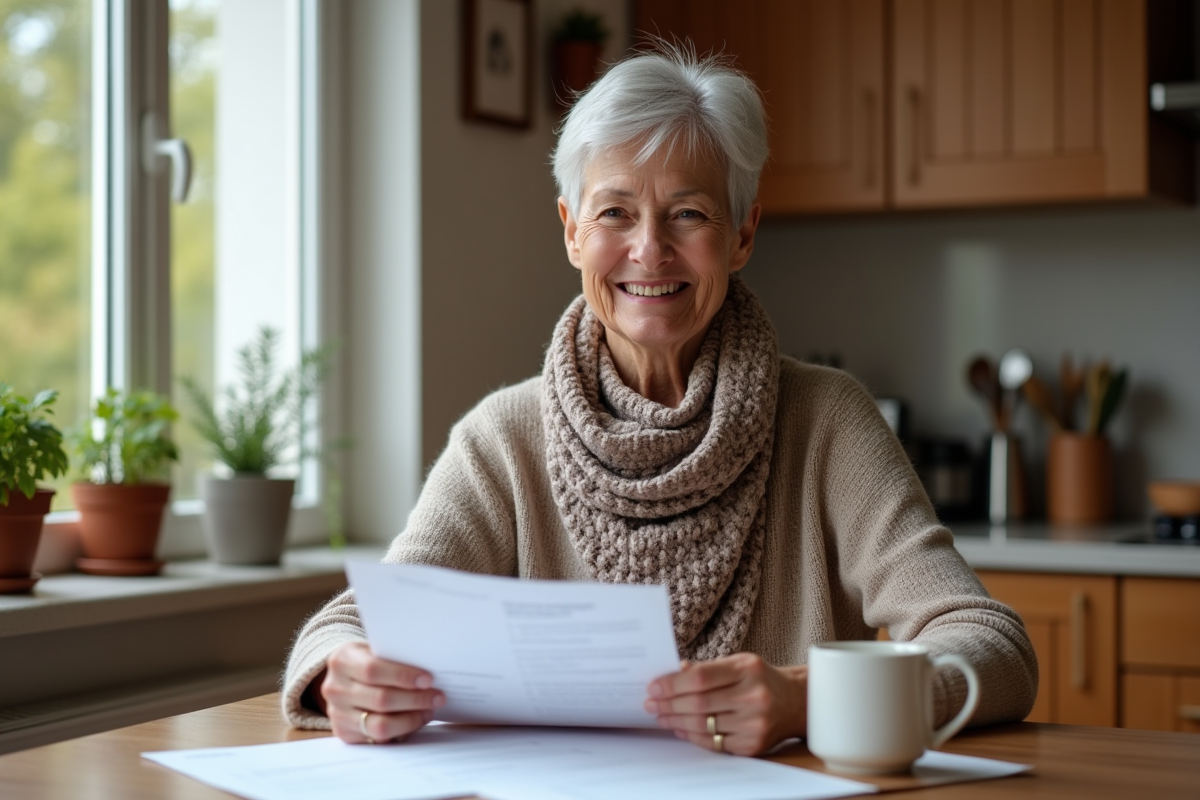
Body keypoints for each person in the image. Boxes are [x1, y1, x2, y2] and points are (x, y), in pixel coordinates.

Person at [282, 45, 1037, 757]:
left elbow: (990, 646)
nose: (649, 249)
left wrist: (811, 698)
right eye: (614, 213)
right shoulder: (502, 438)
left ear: (742, 234)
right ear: (571, 230)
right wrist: (342, 673)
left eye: (689, 214)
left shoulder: (827, 421)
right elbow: (355, 627)